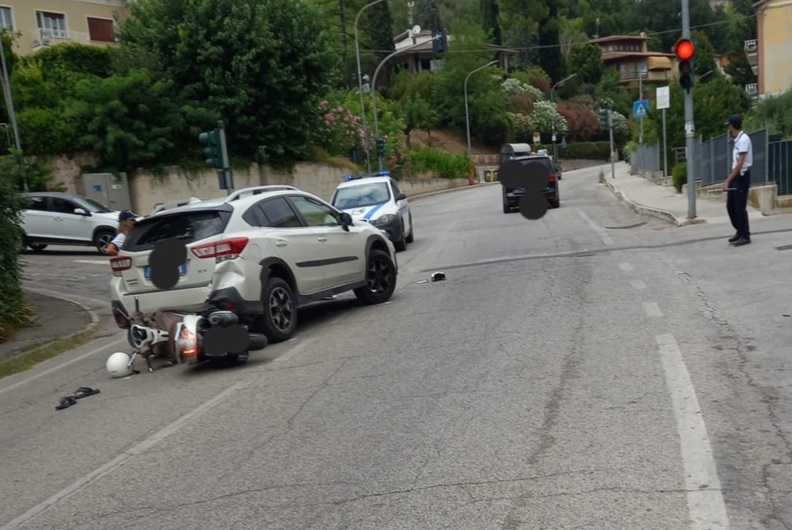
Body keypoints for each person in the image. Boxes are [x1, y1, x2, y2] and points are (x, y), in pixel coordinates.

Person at [722, 114, 752, 247]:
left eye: (728, 126)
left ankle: (745, 235)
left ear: (732, 126)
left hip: (742, 176)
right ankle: (739, 231)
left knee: (740, 207)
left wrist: (728, 180)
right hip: (736, 176)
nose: (728, 129)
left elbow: (740, 163)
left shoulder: (744, 140)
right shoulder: (737, 140)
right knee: (731, 205)